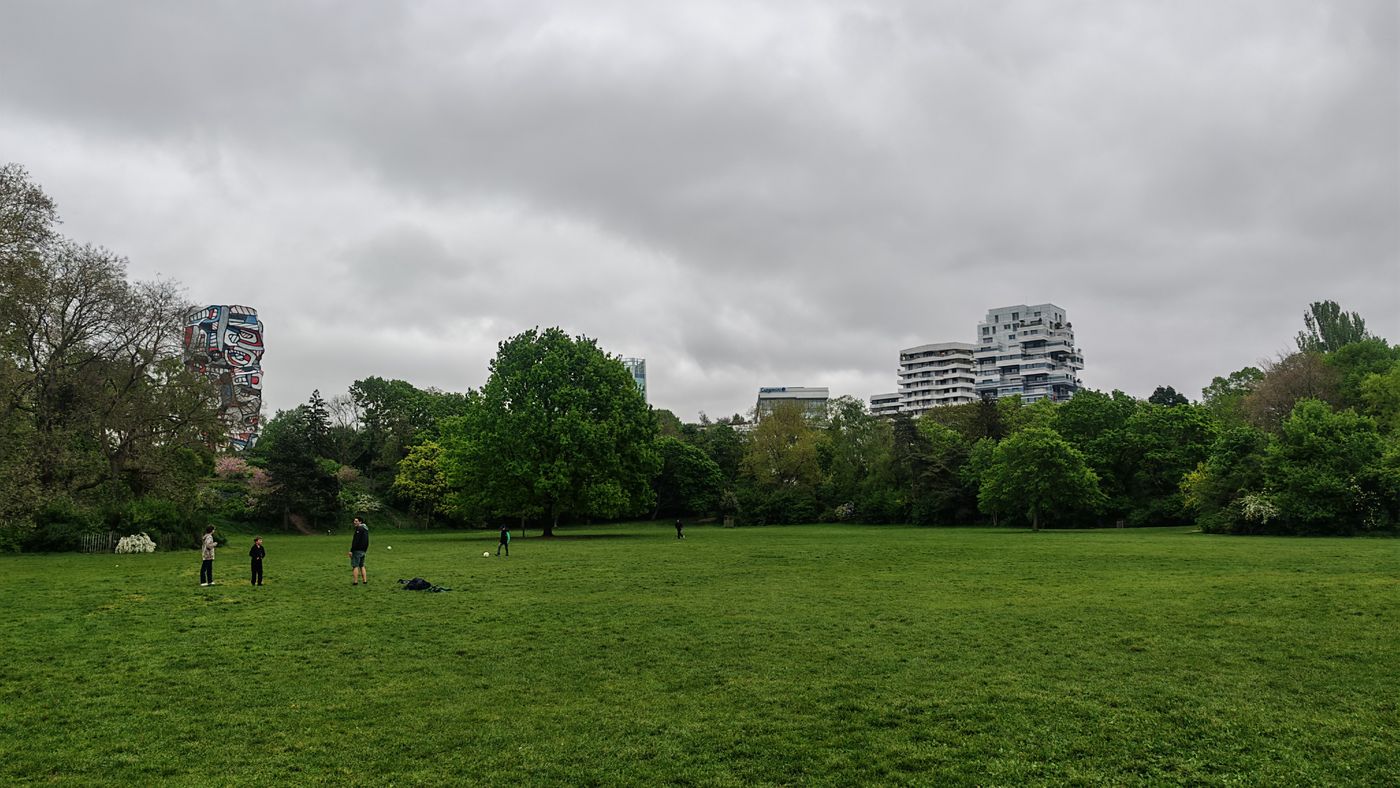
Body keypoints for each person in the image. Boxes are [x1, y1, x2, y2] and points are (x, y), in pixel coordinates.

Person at [348, 517, 370, 585]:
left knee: (355, 566)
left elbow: (356, 541)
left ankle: (355, 582)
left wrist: (351, 550)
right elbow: (367, 541)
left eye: (356, 521)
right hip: (363, 550)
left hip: (357, 550)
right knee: (362, 565)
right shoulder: (365, 529)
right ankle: (365, 581)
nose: (354, 522)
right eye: (354, 521)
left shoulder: (359, 529)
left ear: (360, 522)